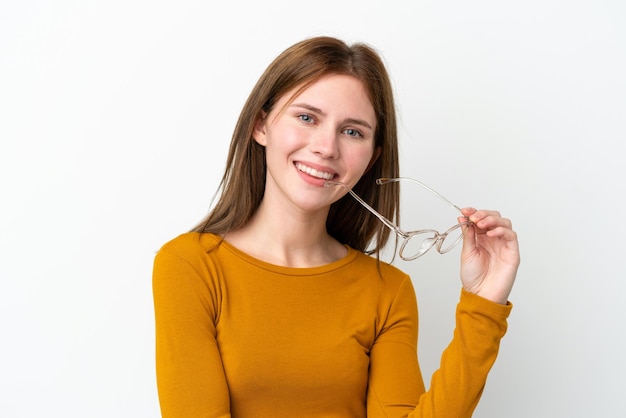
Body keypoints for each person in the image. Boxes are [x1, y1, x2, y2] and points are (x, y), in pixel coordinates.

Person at [152, 36, 520, 418]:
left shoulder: (387, 291)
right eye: (307, 117)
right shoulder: (190, 265)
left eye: (353, 131)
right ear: (261, 126)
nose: (327, 147)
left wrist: (484, 303)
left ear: (371, 158)